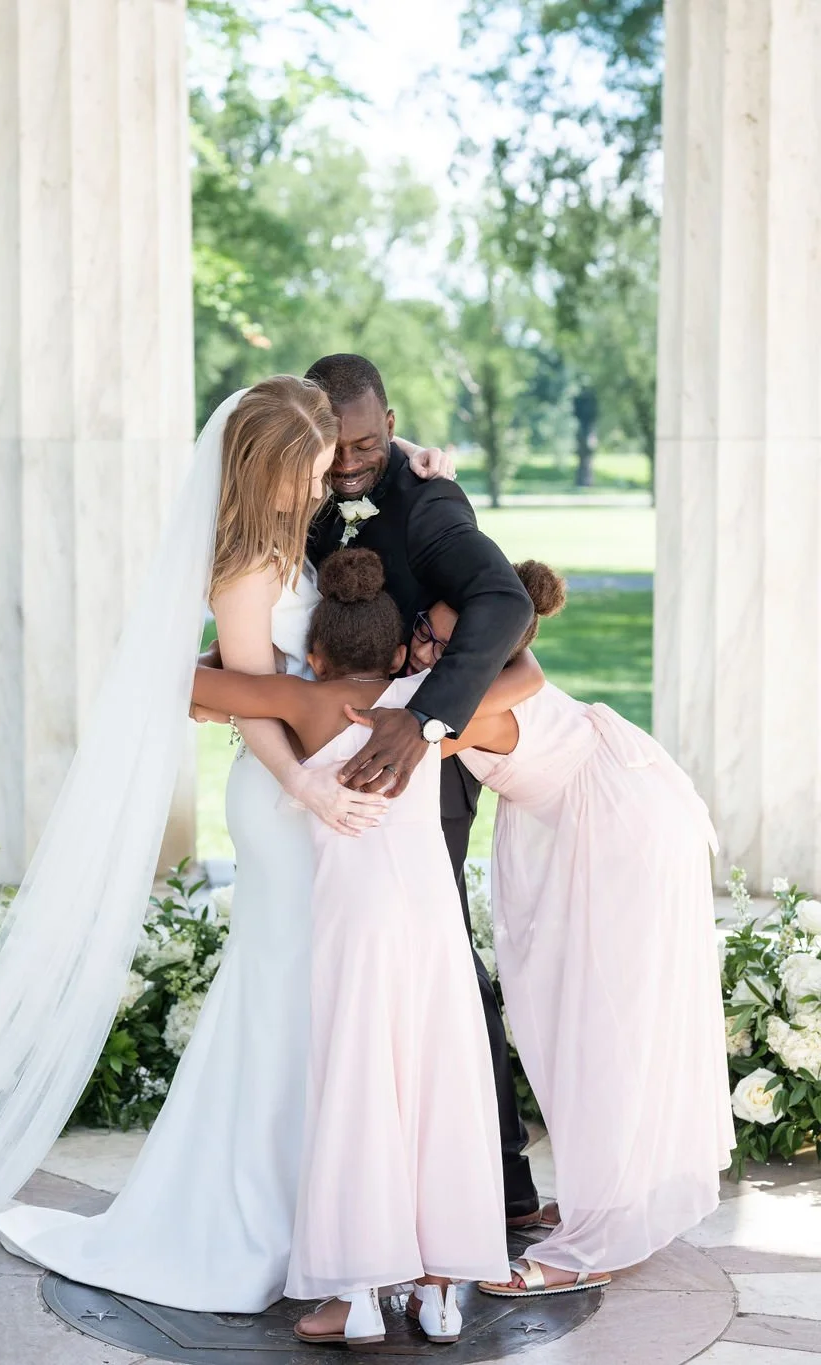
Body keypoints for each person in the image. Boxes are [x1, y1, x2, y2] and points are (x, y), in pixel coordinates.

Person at [0, 377, 455, 1310]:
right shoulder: (245, 566)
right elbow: (252, 706)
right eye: (315, 469)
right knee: (288, 997)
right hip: (284, 798)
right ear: (272, 471)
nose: (330, 482)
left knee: (321, 1000)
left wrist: (420, 464)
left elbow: (370, 473)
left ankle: (333, 1215)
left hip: (322, 792)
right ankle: (268, 1217)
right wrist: (305, 786)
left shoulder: (300, 533)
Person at [190, 549, 545, 1346]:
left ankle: (354, 1296)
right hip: (432, 930)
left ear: (315, 652)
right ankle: (441, 1293)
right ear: (397, 651)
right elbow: (528, 674)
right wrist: (437, 680)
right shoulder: (424, 717)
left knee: (358, 1093)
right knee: (439, 1089)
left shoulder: (305, 703)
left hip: (356, 934)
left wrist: (250, 669)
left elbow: (192, 686)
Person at [404, 567, 735, 1299]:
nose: (416, 641)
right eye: (420, 626)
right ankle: (606, 1197)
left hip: (620, 831)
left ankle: (598, 1239)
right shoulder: (494, 680)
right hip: (596, 813)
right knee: (579, 1018)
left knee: (603, 1021)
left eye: (431, 635)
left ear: (478, 653)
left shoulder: (473, 708)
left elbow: (365, 729)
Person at [304, 353, 541, 1225]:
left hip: (420, 763)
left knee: (440, 956)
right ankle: (363, 1174)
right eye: (335, 447)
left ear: (392, 423)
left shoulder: (430, 499)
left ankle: (501, 1183)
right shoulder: (294, 490)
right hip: (322, 758)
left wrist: (428, 720)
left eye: (366, 443)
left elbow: (503, 602)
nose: (350, 463)